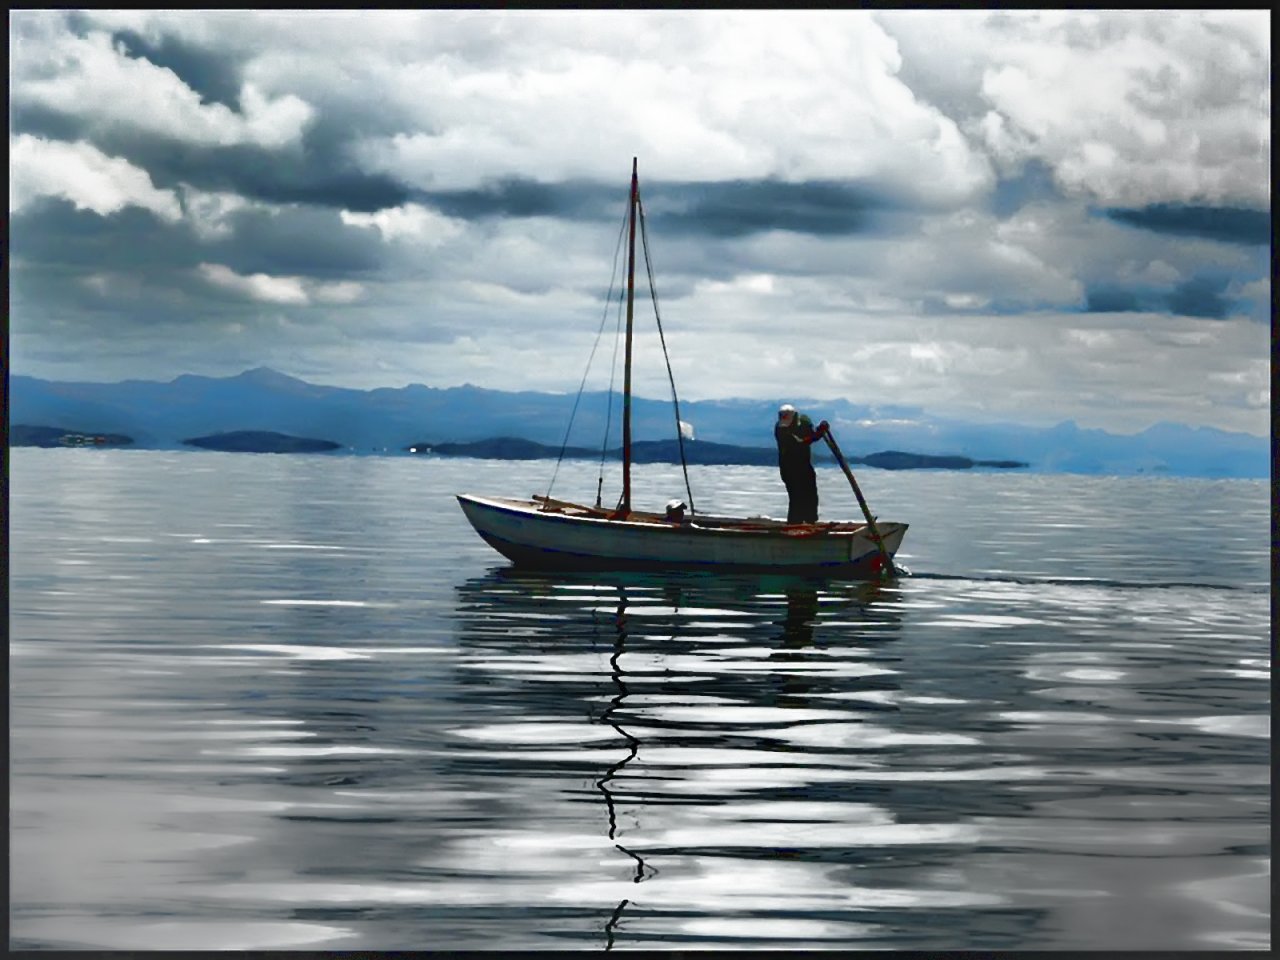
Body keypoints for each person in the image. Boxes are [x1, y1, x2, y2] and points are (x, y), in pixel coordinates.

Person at [774, 404, 829, 523]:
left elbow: (811, 435)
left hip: (804, 465)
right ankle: (795, 523)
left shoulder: (803, 423)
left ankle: (810, 521)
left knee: (811, 494)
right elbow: (801, 442)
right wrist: (818, 433)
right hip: (789, 468)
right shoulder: (781, 429)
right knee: (796, 497)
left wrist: (820, 430)